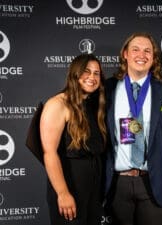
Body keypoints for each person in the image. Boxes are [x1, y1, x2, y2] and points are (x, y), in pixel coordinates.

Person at [104, 32, 162, 225]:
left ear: (153, 58)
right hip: (118, 183)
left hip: (154, 181)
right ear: (125, 54)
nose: (141, 55)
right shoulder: (108, 88)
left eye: (147, 51)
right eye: (135, 49)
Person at [40, 54, 107, 225]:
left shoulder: (93, 105)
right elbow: (49, 153)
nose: (92, 77)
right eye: (86, 71)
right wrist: (63, 193)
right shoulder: (57, 104)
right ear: (75, 73)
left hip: (92, 185)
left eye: (96, 73)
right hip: (70, 182)